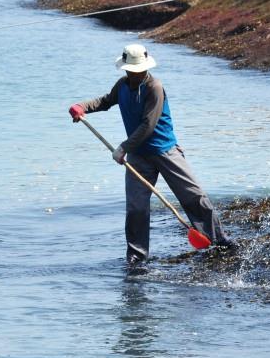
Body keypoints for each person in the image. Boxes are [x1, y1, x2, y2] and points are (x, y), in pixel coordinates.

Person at [68, 44, 234, 265]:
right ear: (125, 69)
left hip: (165, 151)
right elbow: (106, 101)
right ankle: (136, 258)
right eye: (131, 70)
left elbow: (148, 125)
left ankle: (219, 241)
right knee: (136, 208)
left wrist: (123, 147)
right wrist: (82, 107)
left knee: (194, 196)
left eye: (139, 70)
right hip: (138, 156)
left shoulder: (154, 87)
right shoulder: (123, 85)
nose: (135, 73)